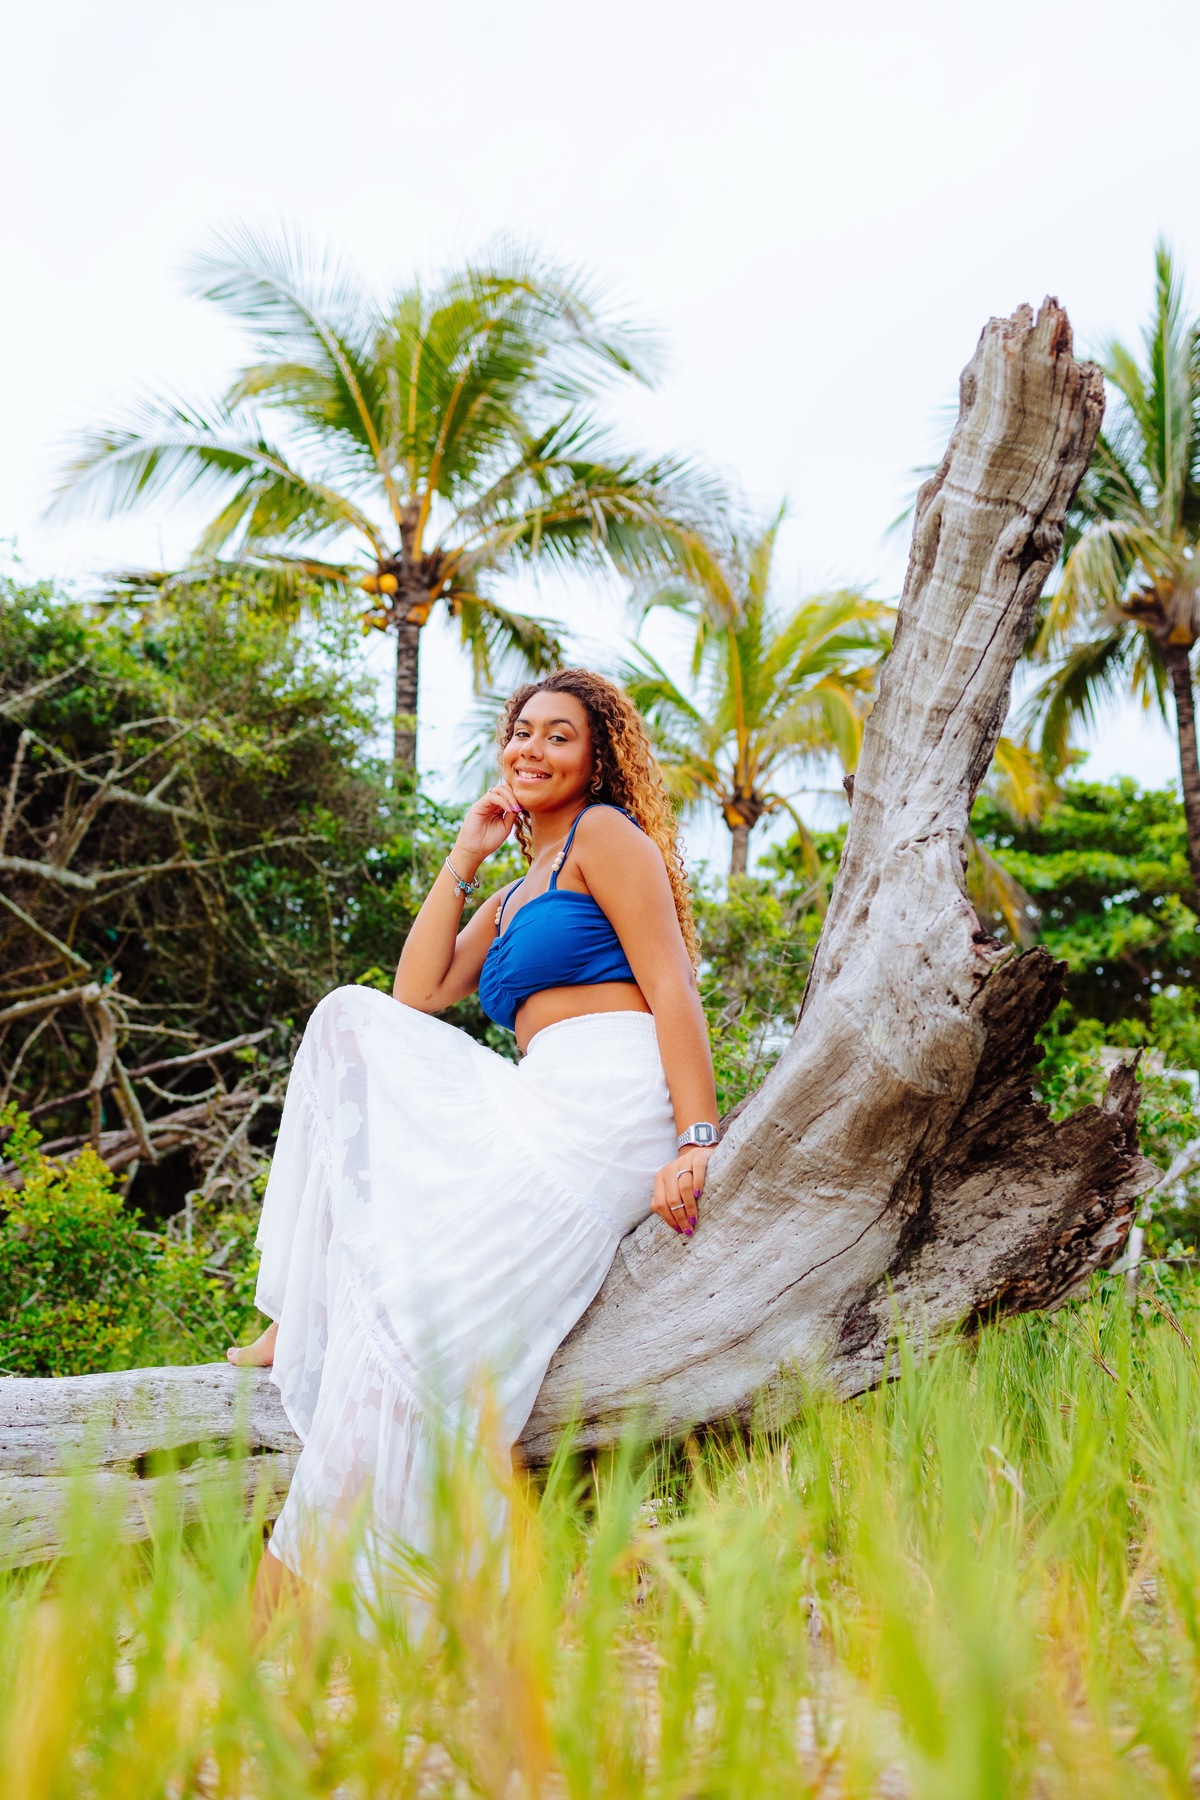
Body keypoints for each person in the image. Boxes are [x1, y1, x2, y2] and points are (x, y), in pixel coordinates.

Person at [228, 667, 718, 1610]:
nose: (531, 750)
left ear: (599, 756)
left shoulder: (606, 837)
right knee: (351, 1024)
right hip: (541, 1099)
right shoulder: (518, 887)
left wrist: (697, 1135)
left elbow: (674, 988)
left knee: (420, 1327)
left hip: (609, 1106)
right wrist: (468, 851)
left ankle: (318, 1620)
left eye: (558, 736)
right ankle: (310, 1320)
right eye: (520, 732)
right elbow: (418, 996)